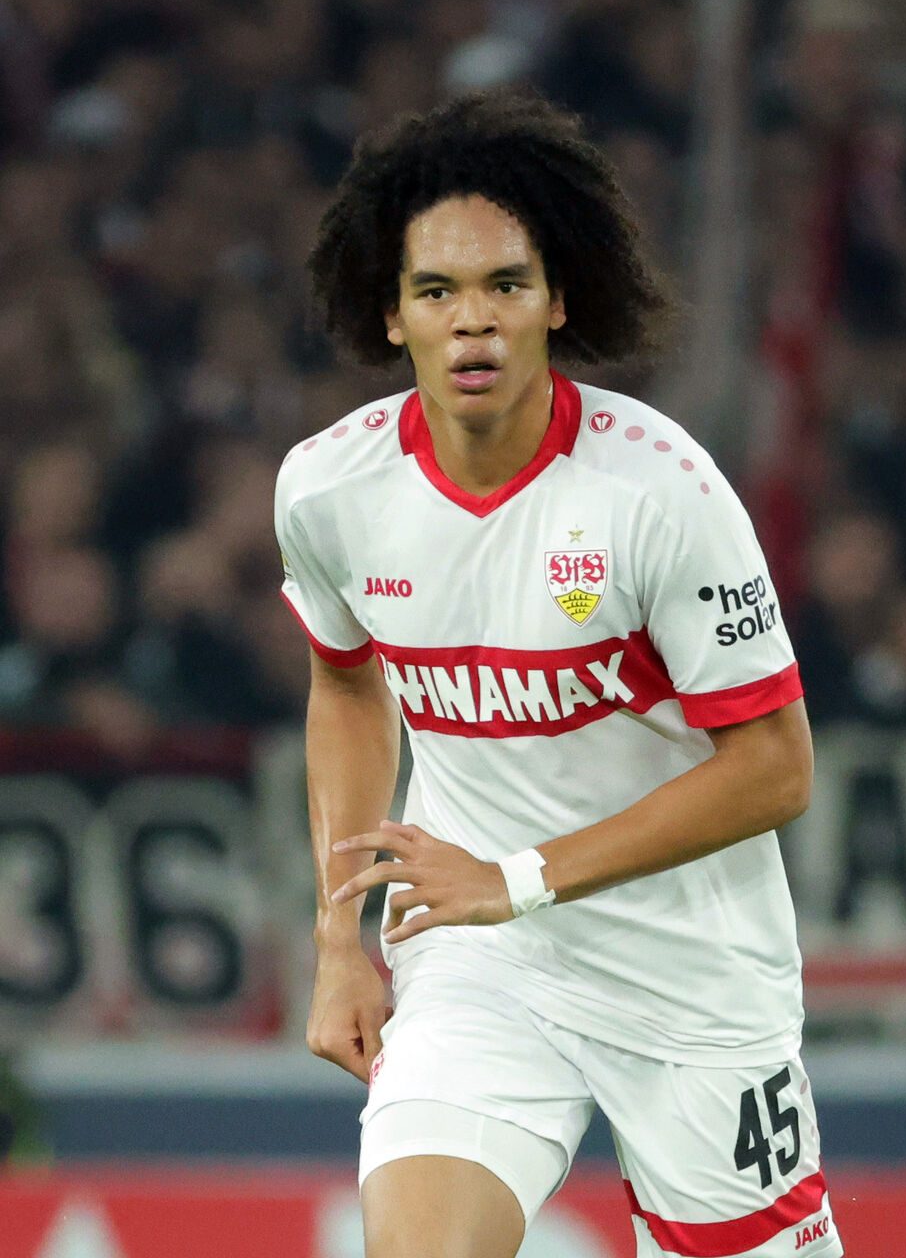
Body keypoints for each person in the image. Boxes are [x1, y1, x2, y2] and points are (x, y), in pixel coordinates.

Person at [275, 88, 843, 1258]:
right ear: (392, 313)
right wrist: (339, 939)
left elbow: (778, 768)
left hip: (690, 971)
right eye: (438, 291)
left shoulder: (657, 492)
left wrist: (518, 875)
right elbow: (345, 683)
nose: (473, 321)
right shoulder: (331, 491)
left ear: (559, 299)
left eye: (506, 285)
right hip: (480, 958)